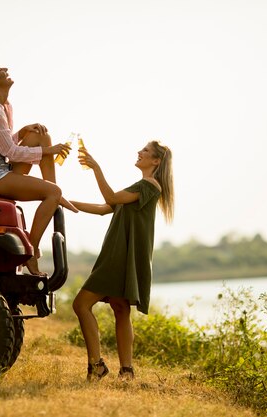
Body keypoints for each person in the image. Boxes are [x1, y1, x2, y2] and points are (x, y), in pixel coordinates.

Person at [71, 140, 174, 381]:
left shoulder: (149, 185)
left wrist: (96, 167)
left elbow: (110, 197)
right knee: (120, 308)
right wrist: (65, 201)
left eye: (146, 151)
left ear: (156, 161)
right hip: (122, 255)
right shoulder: (140, 187)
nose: (139, 152)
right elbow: (102, 208)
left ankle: (96, 366)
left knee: (81, 305)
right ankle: (126, 371)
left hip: (120, 256)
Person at [0, 63, 77, 275]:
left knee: (40, 135)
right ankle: (30, 252)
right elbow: (11, 152)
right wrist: (48, 151)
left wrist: (23, 132)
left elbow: (1, 146)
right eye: (0, 70)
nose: (6, 69)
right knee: (53, 193)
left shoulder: (5, 107)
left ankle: (53, 189)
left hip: (2, 169)